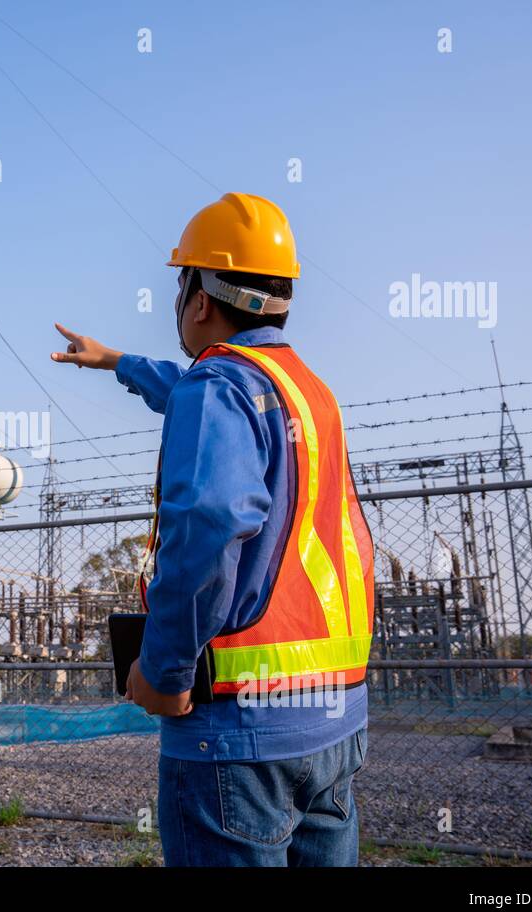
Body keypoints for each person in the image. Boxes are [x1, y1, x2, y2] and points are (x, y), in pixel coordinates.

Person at [51, 193, 374, 866]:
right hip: (333, 724)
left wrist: (165, 670)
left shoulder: (219, 387)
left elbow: (210, 522)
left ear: (200, 297)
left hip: (237, 737)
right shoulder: (305, 392)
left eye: (181, 283)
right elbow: (192, 387)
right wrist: (116, 361)